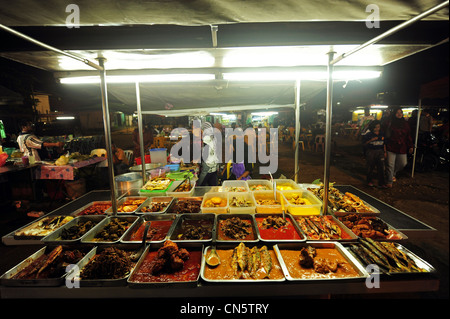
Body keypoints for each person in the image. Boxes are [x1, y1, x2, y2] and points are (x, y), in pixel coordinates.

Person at [384, 107, 414, 188]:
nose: (399, 114)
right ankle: (389, 181)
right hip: (391, 146)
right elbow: (384, 129)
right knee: (390, 164)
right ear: (394, 114)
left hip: (402, 147)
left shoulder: (405, 124)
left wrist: (411, 146)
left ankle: (393, 173)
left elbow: (408, 135)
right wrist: (386, 116)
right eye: (397, 112)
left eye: (400, 112)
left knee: (403, 163)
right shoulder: (390, 122)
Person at [363, 120, 387, 188]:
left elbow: (384, 143)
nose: (377, 128)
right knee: (370, 167)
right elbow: (364, 144)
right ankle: (369, 181)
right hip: (371, 151)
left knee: (381, 167)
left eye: (378, 127)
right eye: (375, 127)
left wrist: (385, 152)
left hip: (380, 151)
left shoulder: (382, 134)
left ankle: (382, 183)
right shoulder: (368, 135)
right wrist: (371, 140)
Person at [197, 122, 219, 186]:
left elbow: (206, 154)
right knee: (213, 187)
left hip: (208, 168)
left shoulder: (206, 138)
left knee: (200, 186)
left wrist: (200, 161)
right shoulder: (213, 138)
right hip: (213, 167)